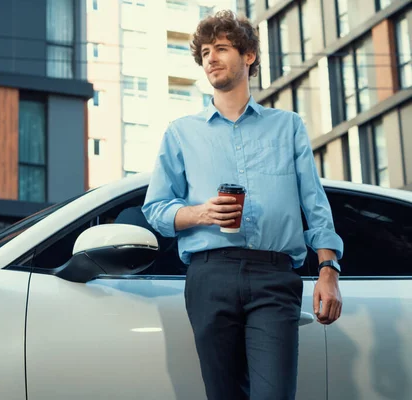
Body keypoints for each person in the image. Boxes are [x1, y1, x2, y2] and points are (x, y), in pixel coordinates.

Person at [141, 10, 344, 400]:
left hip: (274, 276)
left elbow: (314, 205)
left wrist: (328, 270)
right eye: (203, 53)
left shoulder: (288, 127)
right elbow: (156, 210)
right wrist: (200, 213)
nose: (210, 59)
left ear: (248, 55)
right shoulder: (181, 133)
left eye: (220, 48)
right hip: (209, 276)